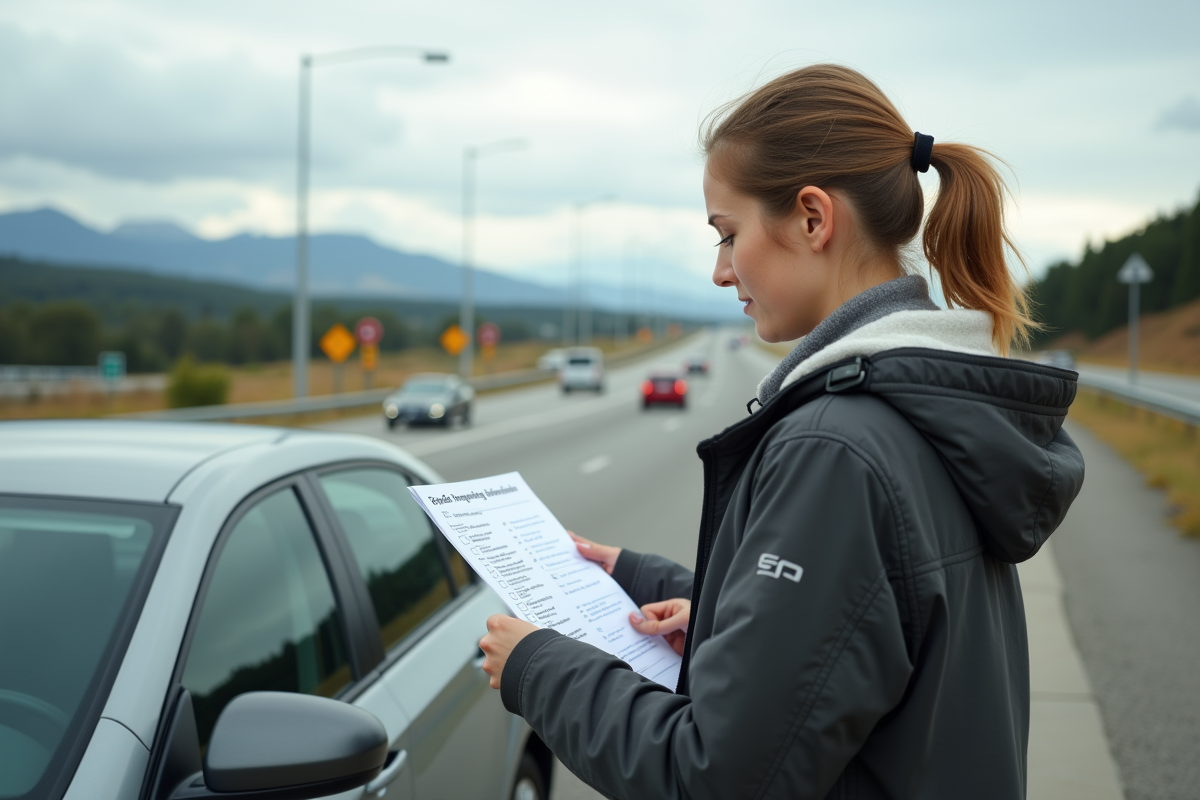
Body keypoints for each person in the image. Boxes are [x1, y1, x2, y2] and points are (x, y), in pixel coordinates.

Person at [479, 64, 1085, 799]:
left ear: (812, 219)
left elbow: (715, 776)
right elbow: (866, 620)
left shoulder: (835, 448)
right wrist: (647, 582)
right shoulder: (929, 411)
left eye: (728, 235)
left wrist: (538, 667)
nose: (720, 271)